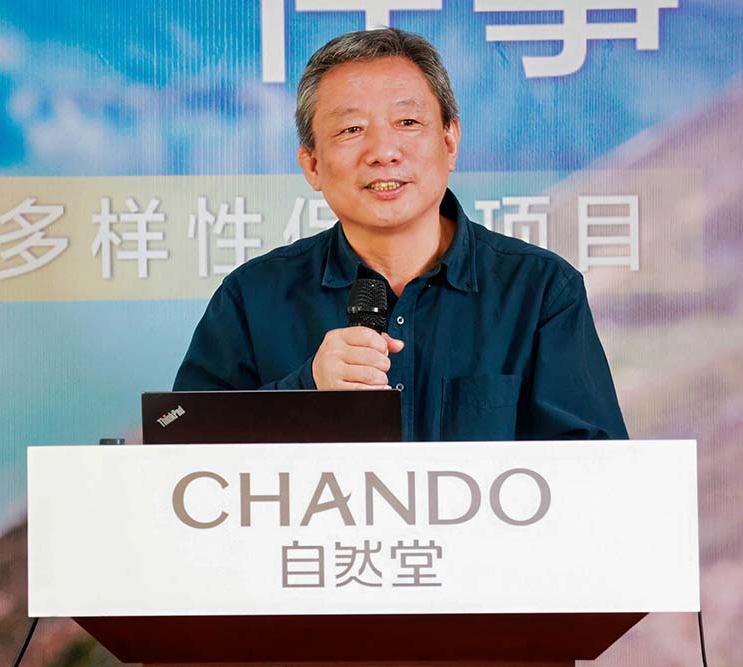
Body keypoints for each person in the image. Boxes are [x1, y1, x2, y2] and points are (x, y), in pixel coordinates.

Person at [173, 27, 627, 442]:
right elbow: (174, 434)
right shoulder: (253, 296)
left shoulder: (541, 291)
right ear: (312, 164)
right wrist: (304, 389)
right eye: (351, 129)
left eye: (407, 123)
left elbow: (601, 471)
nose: (383, 151)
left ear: (449, 142)